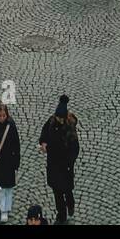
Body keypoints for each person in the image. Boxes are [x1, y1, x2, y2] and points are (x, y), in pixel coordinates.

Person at [38, 95, 79, 225]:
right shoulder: (51, 122)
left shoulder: (70, 130)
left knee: (66, 189)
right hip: (53, 164)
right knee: (57, 191)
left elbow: (74, 149)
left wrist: (68, 163)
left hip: (64, 166)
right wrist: (43, 143)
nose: (59, 120)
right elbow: (44, 132)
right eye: (58, 118)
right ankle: (61, 214)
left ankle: (70, 203)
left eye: (61, 118)